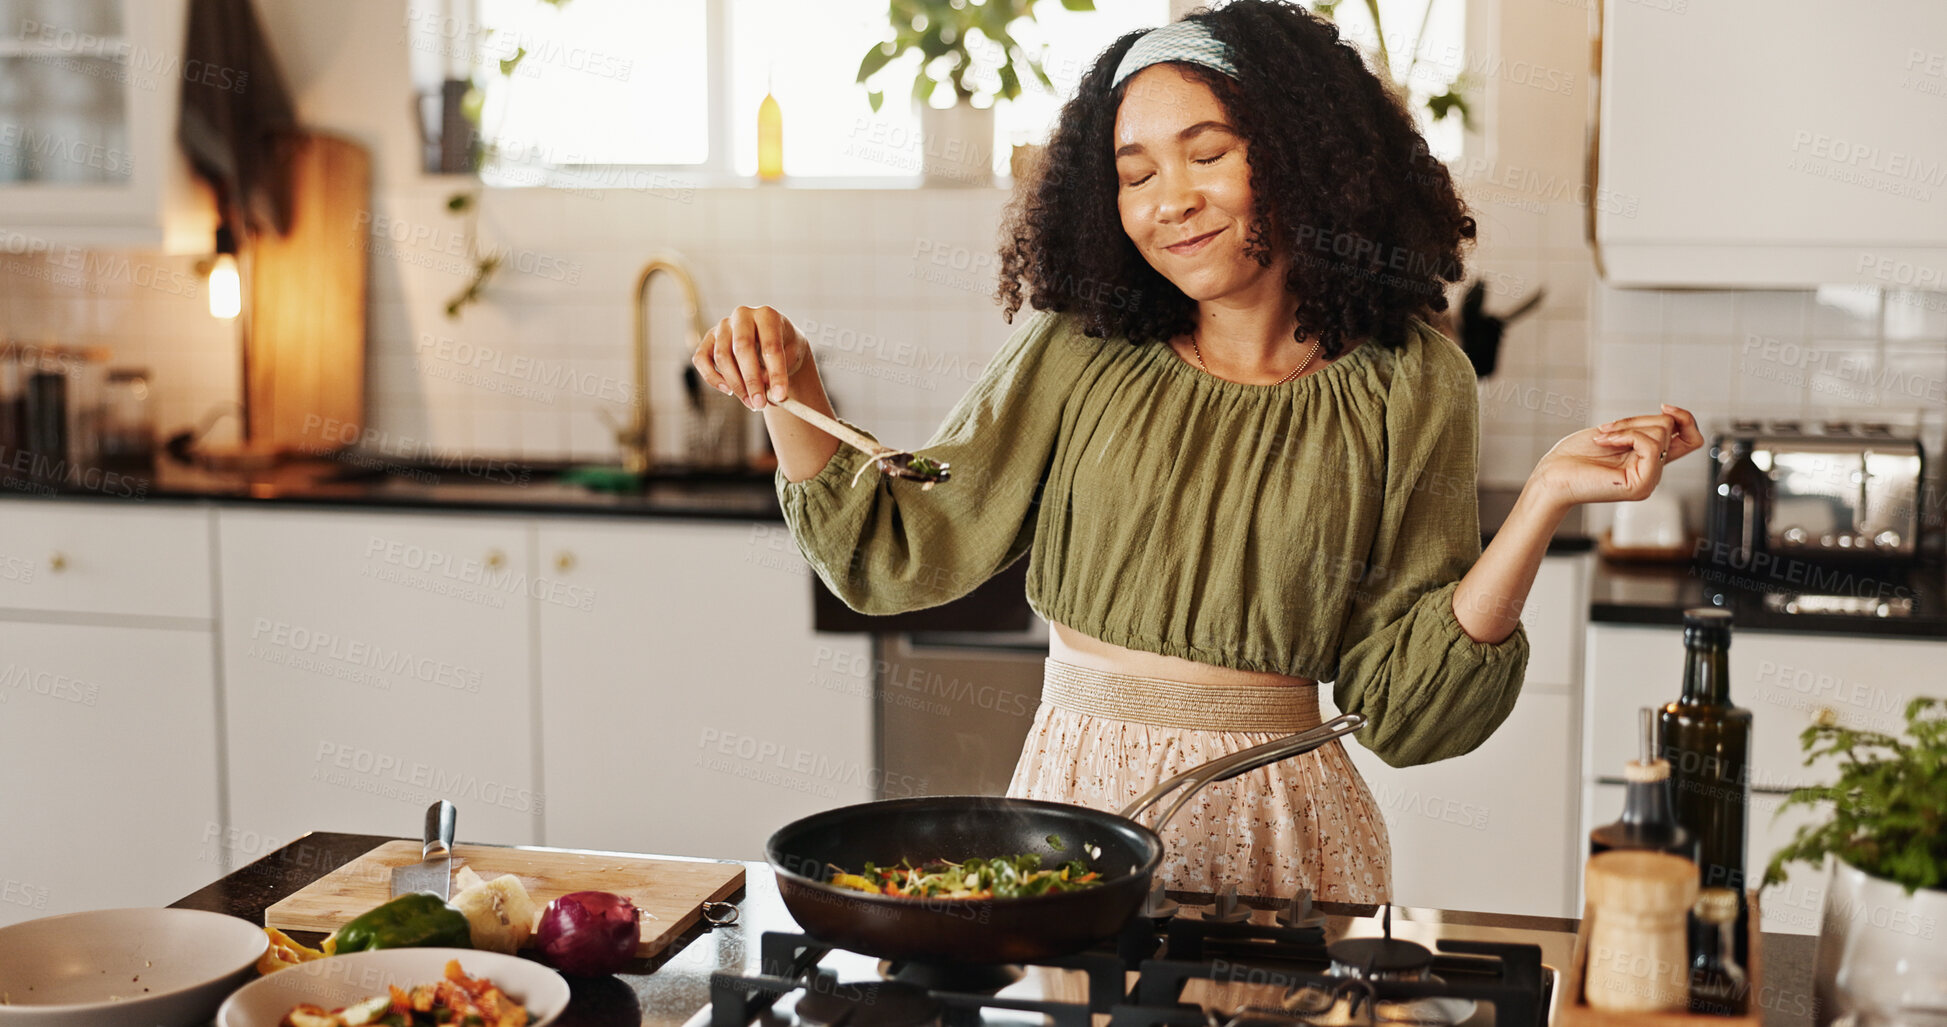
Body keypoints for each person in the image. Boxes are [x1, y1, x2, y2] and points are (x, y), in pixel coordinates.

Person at [691, 1, 1702, 903]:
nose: (1167, 200)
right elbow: (901, 549)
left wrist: (1539, 506)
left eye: (1206, 154)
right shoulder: (1077, 346)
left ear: (1303, 155)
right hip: (1071, 819)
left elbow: (1404, 706)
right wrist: (793, 391)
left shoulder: (1413, 380)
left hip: (1289, 837)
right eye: (1134, 174)